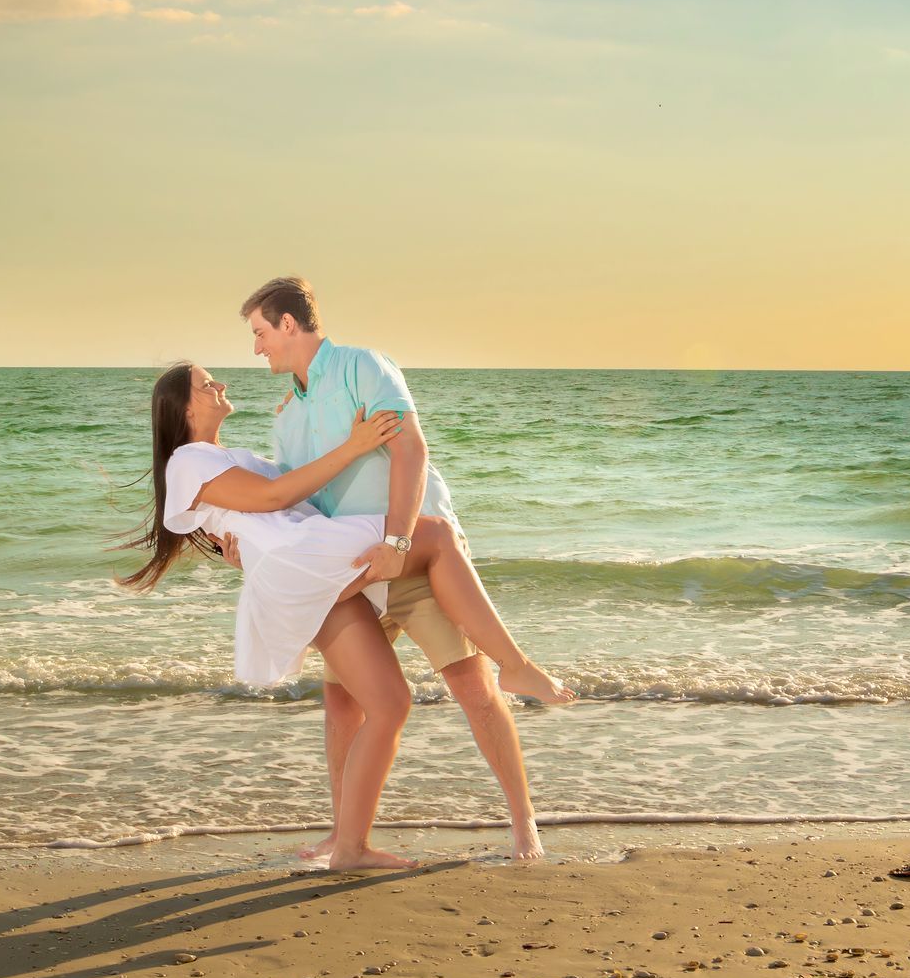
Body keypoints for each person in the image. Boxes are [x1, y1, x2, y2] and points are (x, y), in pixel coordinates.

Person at [117, 361, 571, 871]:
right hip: (305, 561)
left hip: (313, 564)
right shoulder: (187, 460)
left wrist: (309, 428)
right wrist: (354, 444)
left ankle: (352, 848)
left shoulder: (232, 455)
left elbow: (292, 496)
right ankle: (514, 664)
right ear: (184, 408)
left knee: (390, 704)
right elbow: (275, 497)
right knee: (436, 536)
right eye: (206, 384)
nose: (219, 384)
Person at [225, 275, 554, 863]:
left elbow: (411, 451)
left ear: (289, 325)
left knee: (472, 687)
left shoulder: (364, 367)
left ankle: (523, 821)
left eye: (259, 333)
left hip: (414, 557)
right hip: (350, 574)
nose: (256, 348)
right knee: (343, 704)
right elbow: (298, 499)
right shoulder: (286, 417)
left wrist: (399, 542)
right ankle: (345, 834)